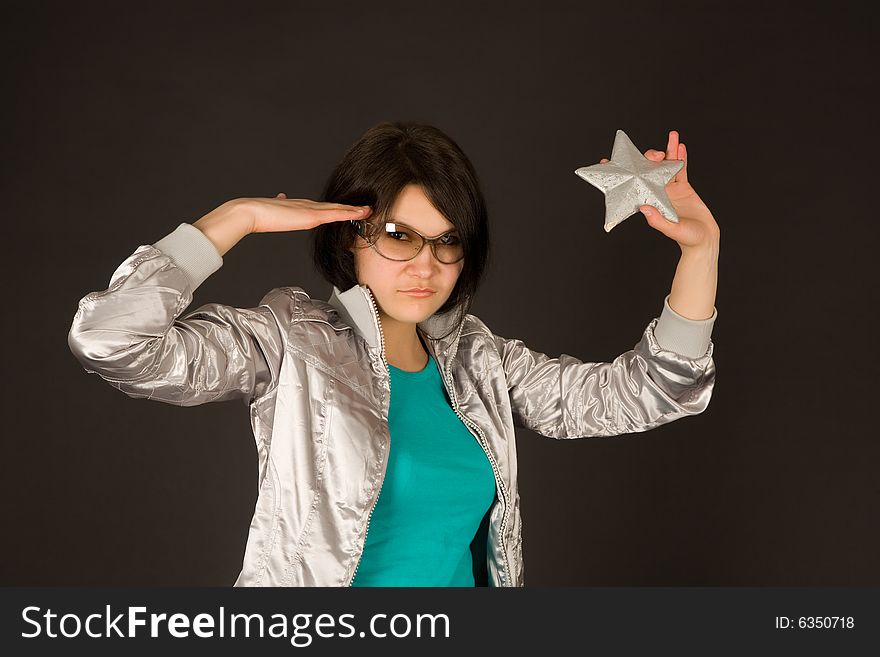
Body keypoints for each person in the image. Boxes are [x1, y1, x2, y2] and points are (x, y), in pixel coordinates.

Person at [67, 121, 719, 587]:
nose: (425, 265)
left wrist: (700, 249)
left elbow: (651, 390)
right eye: (399, 236)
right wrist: (234, 218)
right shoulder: (293, 342)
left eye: (446, 241)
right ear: (351, 238)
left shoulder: (479, 362)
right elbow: (114, 340)